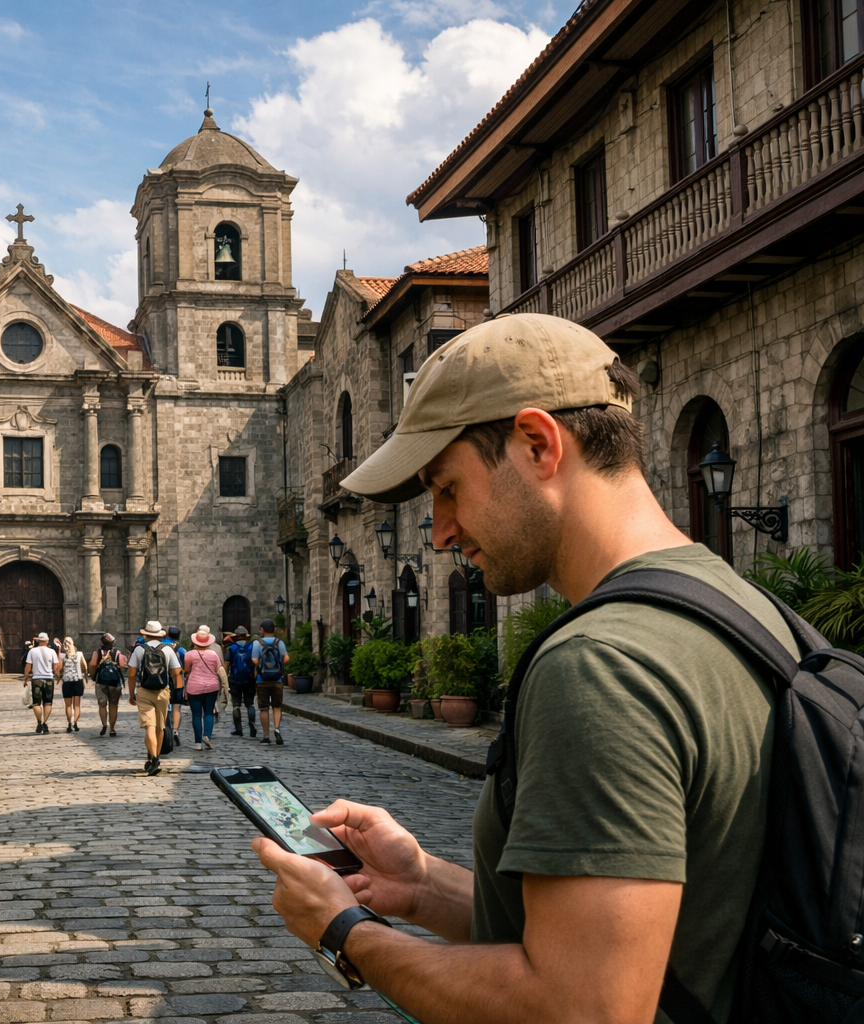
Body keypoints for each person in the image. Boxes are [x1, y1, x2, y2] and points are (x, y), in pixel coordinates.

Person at [251, 313, 803, 1024]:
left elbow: (583, 1007)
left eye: (447, 487)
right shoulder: (750, 610)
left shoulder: (599, 668)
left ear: (539, 444)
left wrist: (343, 933)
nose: (442, 531)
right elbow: (644, 932)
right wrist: (422, 887)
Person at [127, 620, 181, 776]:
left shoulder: (139, 650)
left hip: (144, 690)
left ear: (145, 634)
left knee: (149, 726)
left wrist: (132, 694)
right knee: (160, 726)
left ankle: (154, 759)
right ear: (160, 634)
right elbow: (177, 672)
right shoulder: (168, 650)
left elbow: (131, 674)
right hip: (163, 691)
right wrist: (176, 690)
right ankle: (155, 758)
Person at [182, 626, 225, 750]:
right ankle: (207, 736)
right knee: (208, 713)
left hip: (194, 687)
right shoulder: (213, 654)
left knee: (196, 715)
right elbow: (218, 669)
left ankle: (197, 743)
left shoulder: (189, 654)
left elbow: (186, 670)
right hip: (212, 687)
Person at [252, 620, 289, 745]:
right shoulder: (280, 643)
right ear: (274, 630)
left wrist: (263, 666)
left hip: (262, 680)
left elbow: (254, 659)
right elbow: (286, 658)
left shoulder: (258, 643)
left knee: (263, 708)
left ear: (262, 630)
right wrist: (277, 666)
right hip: (277, 679)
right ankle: (277, 729)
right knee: (277, 706)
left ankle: (266, 736)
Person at [89, 634, 127, 736]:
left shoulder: (97, 653)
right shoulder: (117, 653)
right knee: (113, 705)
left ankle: (104, 724)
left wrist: (93, 676)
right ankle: (112, 729)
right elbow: (123, 664)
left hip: (101, 680)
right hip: (114, 681)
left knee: (102, 704)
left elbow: (92, 664)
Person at [224, 627, 258, 737]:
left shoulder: (231, 648)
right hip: (249, 679)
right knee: (250, 704)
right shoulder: (252, 647)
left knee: (236, 705)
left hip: (235, 679)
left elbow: (226, 664)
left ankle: (238, 729)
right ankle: (252, 723)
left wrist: (225, 678)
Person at [21, 632, 58, 734]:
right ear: (47, 641)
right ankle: (45, 722)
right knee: (48, 702)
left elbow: (28, 666)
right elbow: (56, 666)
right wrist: (57, 676)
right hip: (49, 679)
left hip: (37, 679)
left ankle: (39, 722)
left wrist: (26, 678)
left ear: (38, 641)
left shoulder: (32, 651)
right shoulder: (52, 652)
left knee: (36, 703)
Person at [164, 625, 187, 747]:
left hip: (162, 680)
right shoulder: (181, 650)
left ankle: (164, 729)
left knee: (164, 706)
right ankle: (175, 730)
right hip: (177, 680)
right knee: (177, 708)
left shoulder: (160, 646)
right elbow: (186, 665)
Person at [58, 635, 86, 732]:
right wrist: (84, 675)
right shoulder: (79, 654)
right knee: (77, 705)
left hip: (67, 681)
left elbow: (59, 669)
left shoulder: (61, 656)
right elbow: (85, 666)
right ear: (73, 643)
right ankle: (75, 723)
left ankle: (70, 723)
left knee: (68, 705)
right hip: (77, 680)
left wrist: (58, 676)